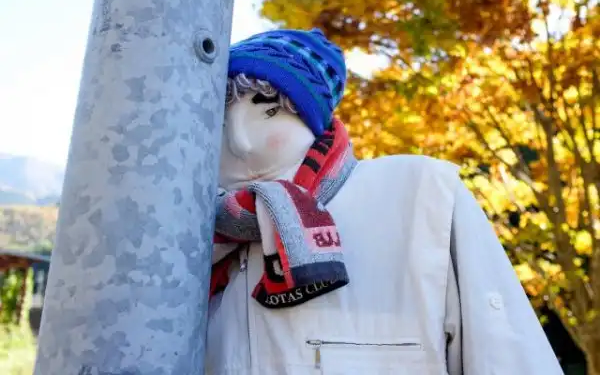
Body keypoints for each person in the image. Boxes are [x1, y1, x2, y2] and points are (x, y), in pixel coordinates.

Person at [205, 28, 563, 375]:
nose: (240, 139)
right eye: (221, 119)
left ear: (311, 119)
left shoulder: (421, 197)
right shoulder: (192, 241)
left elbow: (505, 356)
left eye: (268, 112)